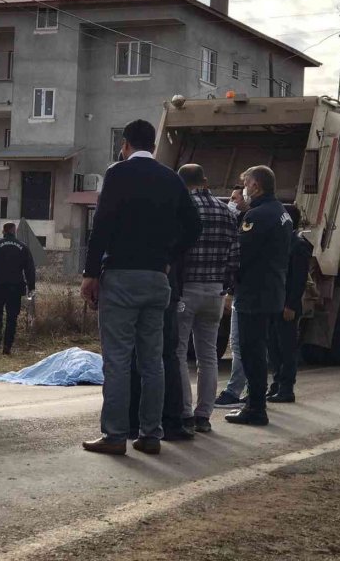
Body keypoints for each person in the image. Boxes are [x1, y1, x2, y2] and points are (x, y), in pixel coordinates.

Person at [81, 119, 201, 456]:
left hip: (121, 276)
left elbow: (102, 224)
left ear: (125, 144)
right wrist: (169, 256)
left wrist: (90, 273)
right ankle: (151, 434)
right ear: (154, 144)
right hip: (157, 279)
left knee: (118, 359)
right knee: (153, 360)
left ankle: (115, 435)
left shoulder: (117, 174)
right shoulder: (171, 178)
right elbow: (194, 226)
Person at [173, 164, 239, 434]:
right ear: (205, 180)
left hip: (186, 290)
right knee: (208, 356)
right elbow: (234, 257)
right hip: (214, 292)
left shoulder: (183, 208)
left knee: (178, 352)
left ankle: (185, 412)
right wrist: (225, 287)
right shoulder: (227, 212)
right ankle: (204, 415)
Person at [225, 166, 292, 427]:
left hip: (254, 293)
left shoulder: (257, 215)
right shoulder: (281, 212)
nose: (244, 189)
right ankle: (256, 404)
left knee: (251, 351)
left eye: (246, 184)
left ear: (256, 186)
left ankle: (255, 408)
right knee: (259, 349)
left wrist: (230, 283)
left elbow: (242, 255)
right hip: (272, 291)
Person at [128, 265, 193, 442]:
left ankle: (133, 424)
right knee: (165, 356)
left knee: (136, 353)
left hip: (135, 281)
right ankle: (170, 423)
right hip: (165, 283)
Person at [266, 203, 312, 403]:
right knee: (273, 347)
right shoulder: (280, 241)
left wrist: (291, 305)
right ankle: (276, 384)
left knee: (287, 347)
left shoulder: (298, 245)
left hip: (287, 305)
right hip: (273, 302)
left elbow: (299, 279)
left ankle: (287, 388)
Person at [215, 185, 251, 409]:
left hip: (245, 292)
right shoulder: (247, 220)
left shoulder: (249, 222)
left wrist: (230, 291)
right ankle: (252, 389)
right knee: (249, 344)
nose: (232, 202)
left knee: (239, 343)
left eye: (235, 198)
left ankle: (234, 391)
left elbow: (238, 260)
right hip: (251, 291)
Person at [0, 222, 36, 355]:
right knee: (12, 316)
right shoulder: (23, 247)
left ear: (3, 231)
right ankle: (7, 346)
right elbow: (30, 269)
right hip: (15, 287)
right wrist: (31, 287)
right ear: (14, 231)